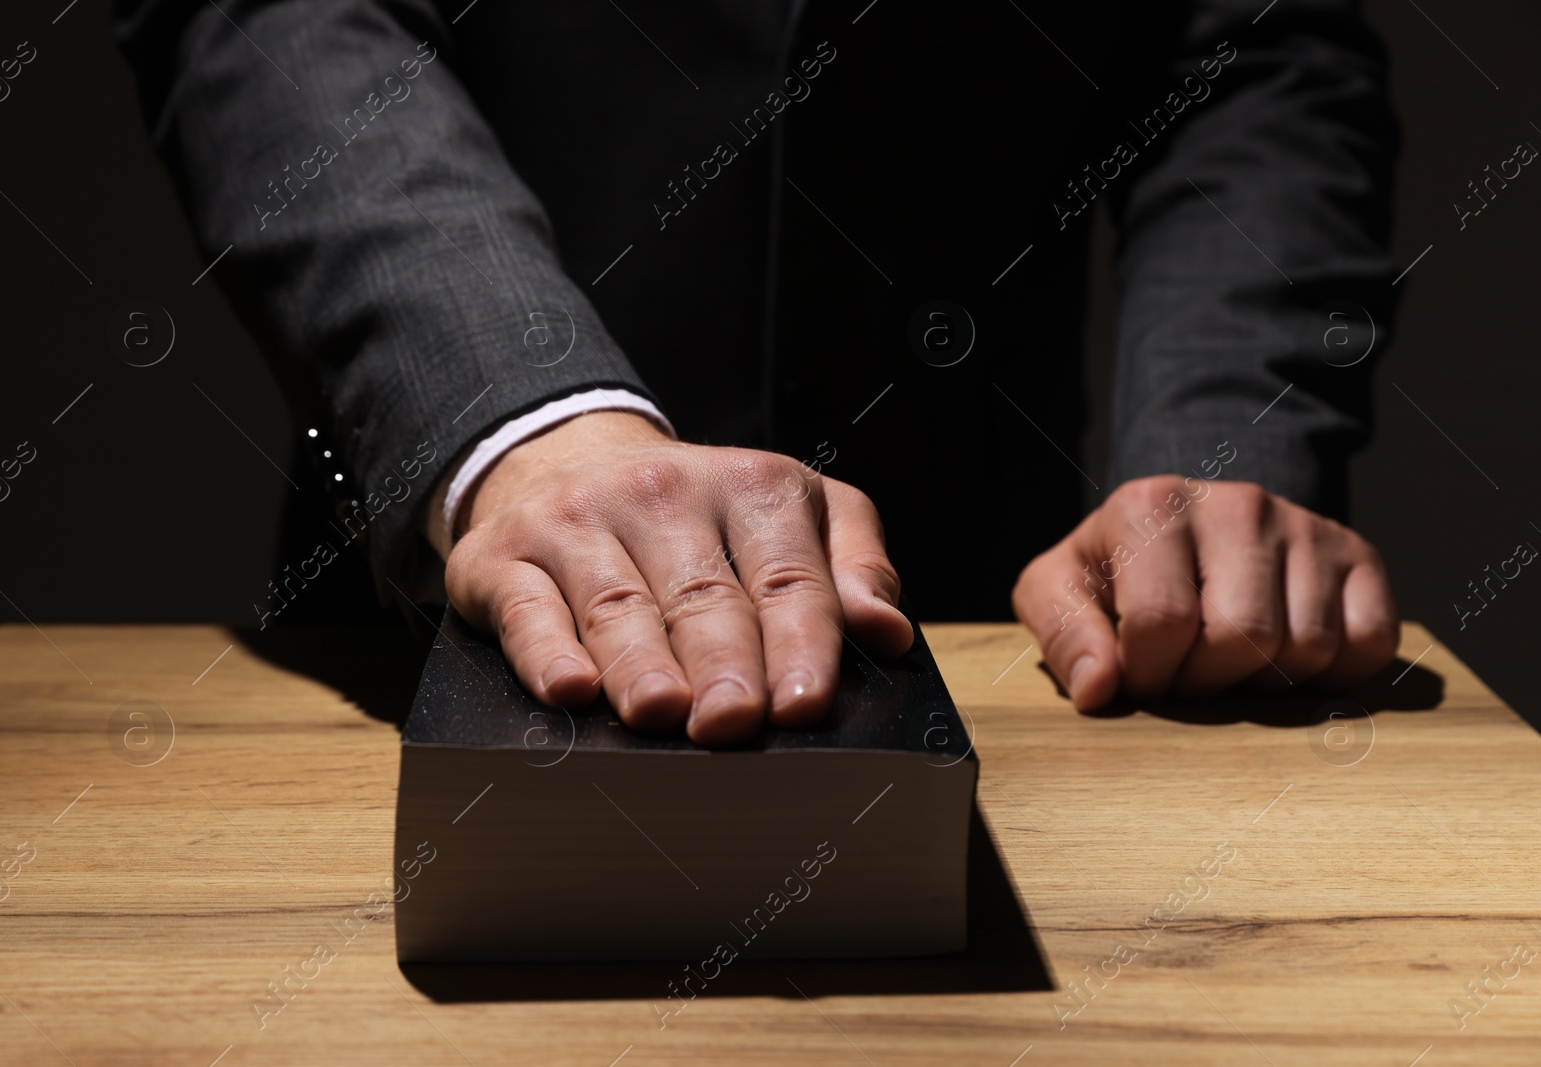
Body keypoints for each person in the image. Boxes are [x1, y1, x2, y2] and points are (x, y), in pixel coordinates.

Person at [115, 0, 1401, 744]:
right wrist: (527, 419)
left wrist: (1223, 449)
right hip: (446, 601)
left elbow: (1257, 52)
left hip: (1014, 636)